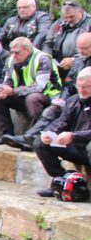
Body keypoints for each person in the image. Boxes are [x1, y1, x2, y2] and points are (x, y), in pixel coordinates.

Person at [2, 32, 91, 152]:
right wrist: (63, 99)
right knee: (52, 110)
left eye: (85, 48)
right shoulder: (79, 60)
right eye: (79, 48)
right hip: (75, 97)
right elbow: (68, 85)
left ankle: (31, 138)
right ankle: (29, 137)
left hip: (86, 98)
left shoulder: (42, 58)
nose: (82, 51)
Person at [0, 36, 60, 145]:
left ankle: (29, 139)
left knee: (32, 98)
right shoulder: (10, 60)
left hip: (47, 96)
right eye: (12, 52)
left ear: (27, 50)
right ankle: (7, 135)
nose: (14, 55)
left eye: (17, 52)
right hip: (22, 94)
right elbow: (8, 80)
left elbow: (40, 86)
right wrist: (4, 89)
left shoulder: (42, 59)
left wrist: (14, 91)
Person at [33, 68, 91, 197]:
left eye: (87, 87)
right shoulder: (73, 100)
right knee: (40, 142)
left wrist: (73, 136)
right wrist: (50, 135)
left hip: (86, 145)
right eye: (80, 86)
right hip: (75, 146)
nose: (82, 90)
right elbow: (62, 124)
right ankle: (61, 181)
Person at [44, 1, 91, 73]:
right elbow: (48, 43)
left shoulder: (89, 24)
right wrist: (47, 58)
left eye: (72, 16)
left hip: (84, 66)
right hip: (58, 64)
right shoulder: (58, 24)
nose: (69, 20)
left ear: (80, 11)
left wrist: (74, 60)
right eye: (66, 17)